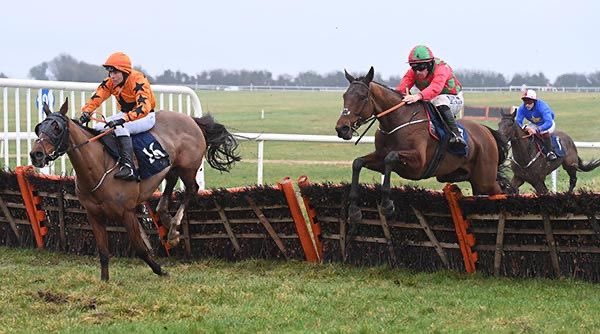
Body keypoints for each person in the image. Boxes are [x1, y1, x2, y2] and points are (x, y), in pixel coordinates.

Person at [80, 52, 157, 181]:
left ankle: (129, 167)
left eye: (115, 72)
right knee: (99, 127)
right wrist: (86, 112)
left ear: (125, 72)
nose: (112, 76)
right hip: (126, 114)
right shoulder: (110, 82)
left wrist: (123, 119)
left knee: (120, 128)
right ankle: (110, 160)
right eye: (110, 72)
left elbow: (144, 107)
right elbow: (97, 97)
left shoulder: (138, 79)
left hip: (145, 116)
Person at [396, 45, 466, 148]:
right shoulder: (412, 73)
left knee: (439, 100)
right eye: (414, 67)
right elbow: (401, 89)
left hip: (453, 98)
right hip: (431, 99)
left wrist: (418, 96)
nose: (417, 72)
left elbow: (436, 87)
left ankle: (456, 134)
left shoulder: (442, 68)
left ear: (429, 64)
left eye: (421, 67)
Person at [515, 89, 557, 161]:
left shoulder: (542, 107)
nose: (527, 104)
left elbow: (549, 122)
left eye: (529, 101)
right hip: (534, 124)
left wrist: (537, 129)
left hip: (547, 124)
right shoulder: (522, 108)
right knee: (524, 133)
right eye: (525, 101)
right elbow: (518, 122)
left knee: (543, 132)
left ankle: (550, 152)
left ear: (534, 101)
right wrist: (525, 127)